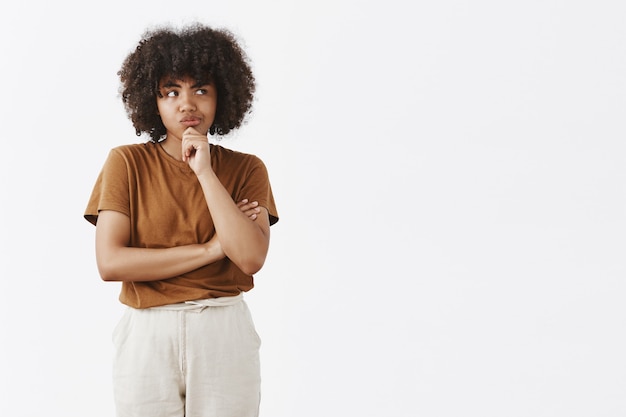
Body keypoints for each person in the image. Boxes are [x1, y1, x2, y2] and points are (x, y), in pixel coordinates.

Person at [84, 23, 279, 417]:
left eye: (201, 90)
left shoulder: (246, 169)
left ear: (222, 96)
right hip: (147, 331)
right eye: (171, 92)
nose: (187, 104)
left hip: (223, 328)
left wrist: (205, 172)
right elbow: (111, 263)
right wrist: (212, 248)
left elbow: (250, 258)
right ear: (152, 101)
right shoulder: (126, 163)